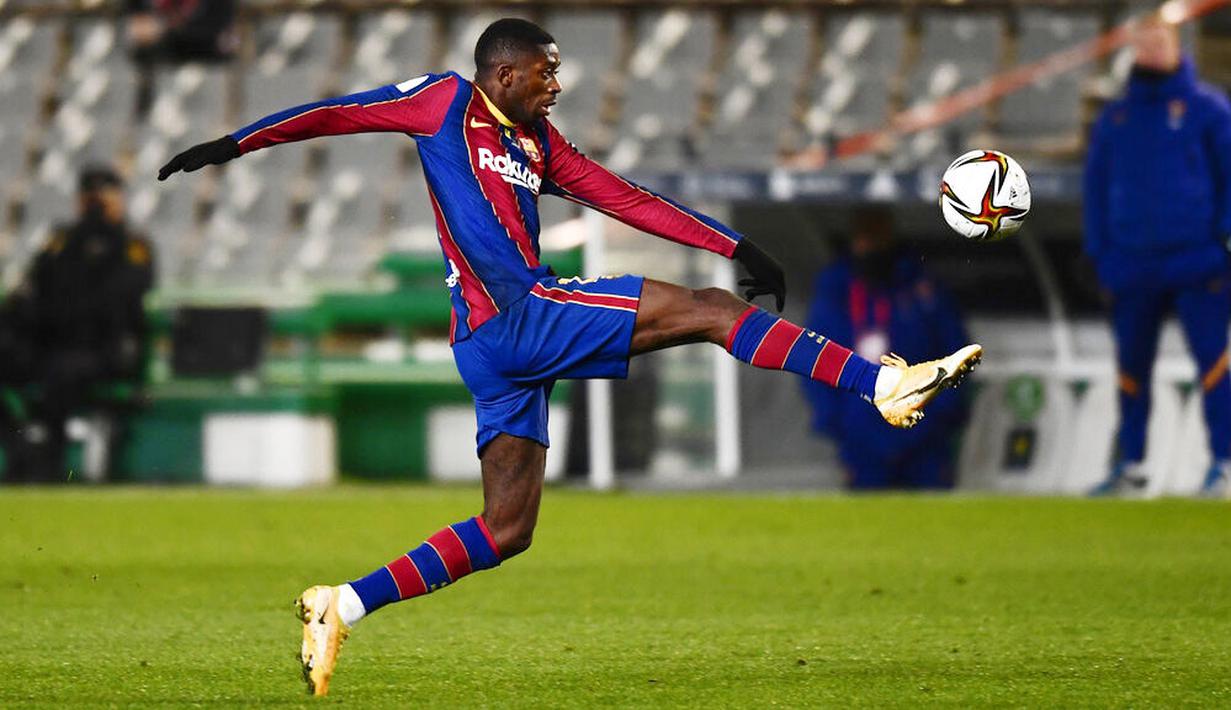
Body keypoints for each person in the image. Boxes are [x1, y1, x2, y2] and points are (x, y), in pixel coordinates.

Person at [157, 18, 982, 696]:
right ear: (504, 71)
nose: (556, 85)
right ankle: (880, 380)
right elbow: (334, 113)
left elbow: (626, 197)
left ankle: (341, 604)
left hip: (491, 349)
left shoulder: (538, 143)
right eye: (545, 73)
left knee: (507, 528)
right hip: (516, 315)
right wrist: (232, 145)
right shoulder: (442, 101)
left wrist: (733, 241)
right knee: (708, 312)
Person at [1084, 14, 1231, 496]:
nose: (1151, 51)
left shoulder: (1209, 109)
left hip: (1197, 262)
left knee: (1213, 363)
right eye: (1142, 43)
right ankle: (1132, 466)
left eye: (1159, 41)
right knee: (1130, 368)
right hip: (1132, 265)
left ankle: (1224, 465)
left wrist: (1223, 244)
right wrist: (1102, 255)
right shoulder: (1116, 118)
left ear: (1176, 45)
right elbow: (1096, 191)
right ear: (1131, 49)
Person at [0, 166, 154, 482]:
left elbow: (122, 293)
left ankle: (48, 461)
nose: (95, 205)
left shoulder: (132, 244)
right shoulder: (62, 240)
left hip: (102, 348)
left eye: (103, 197)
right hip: (53, 343)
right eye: (89, 197)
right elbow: (36, 284)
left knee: (63, 373)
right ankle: (19, 448)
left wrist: (98, 240)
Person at [803, 209, 971, 489]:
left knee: (933, 524)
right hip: (861, 441)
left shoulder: (922, 289)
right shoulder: (836, 292)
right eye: (864, 238)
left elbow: (955, 357)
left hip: (924, 438)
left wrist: (938, 418)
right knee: (867, 527)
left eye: (877, 237)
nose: (870, 247)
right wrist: (839, 423)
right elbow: (815, 362)